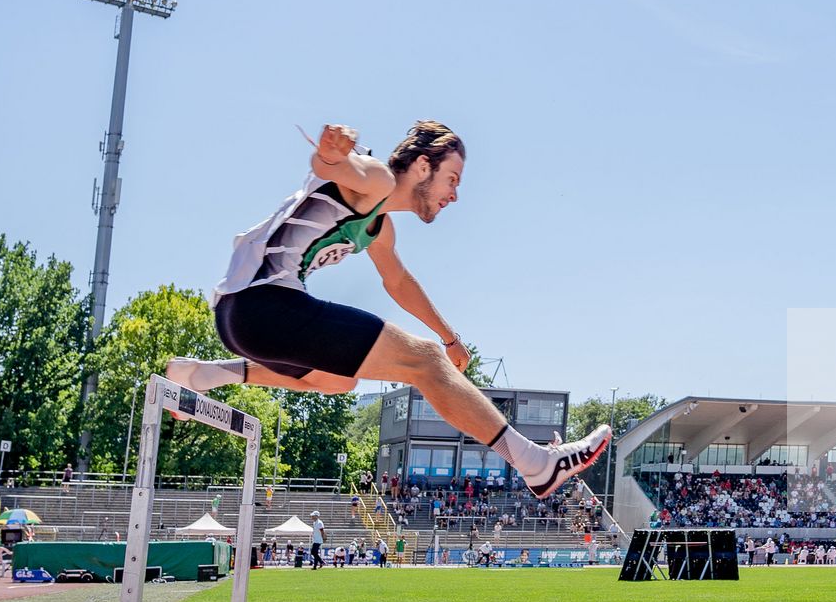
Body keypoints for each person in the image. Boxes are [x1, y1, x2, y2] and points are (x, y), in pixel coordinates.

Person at [167, 121, 608, 500]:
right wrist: (330, 153)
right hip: (262, 304)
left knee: (339, 379)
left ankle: (211, 373)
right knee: (424, 361)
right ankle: (534, 462)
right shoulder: (375, 179)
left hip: (239, 318)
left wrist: (450, 337)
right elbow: (332, 168)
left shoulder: (379, 226)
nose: (454, 195)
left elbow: (397, 280)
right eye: (451, 179)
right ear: (421, 166)